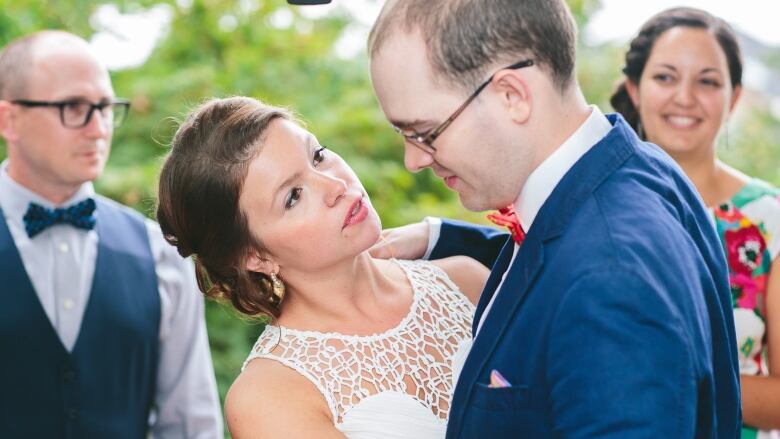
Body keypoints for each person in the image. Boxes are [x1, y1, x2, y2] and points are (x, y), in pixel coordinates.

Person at [366, 0, 741, 437]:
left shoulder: (611, 279)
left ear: (513, 95)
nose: (413, 159)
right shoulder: (636, 168)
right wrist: (440, 237)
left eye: (425, 133)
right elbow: (556, 253)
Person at [156, 96, 489, 438]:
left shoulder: (466, 280)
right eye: (293, 196)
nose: (336, 186)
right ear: (255, 256)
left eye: (318, 156)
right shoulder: (268, 396)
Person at [0, 31, 222, 438]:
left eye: (105, 108)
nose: (98, 129)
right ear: (8, 119)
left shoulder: (162, 254)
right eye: (74, 108)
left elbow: (190, 423)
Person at [610, 7, 780, 437]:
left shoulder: (768, 221)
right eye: (665, 77)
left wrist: (669, 372)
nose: (685, 97)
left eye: (707, 81)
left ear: (734, 98)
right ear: (634, 88)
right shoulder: (593, 204)